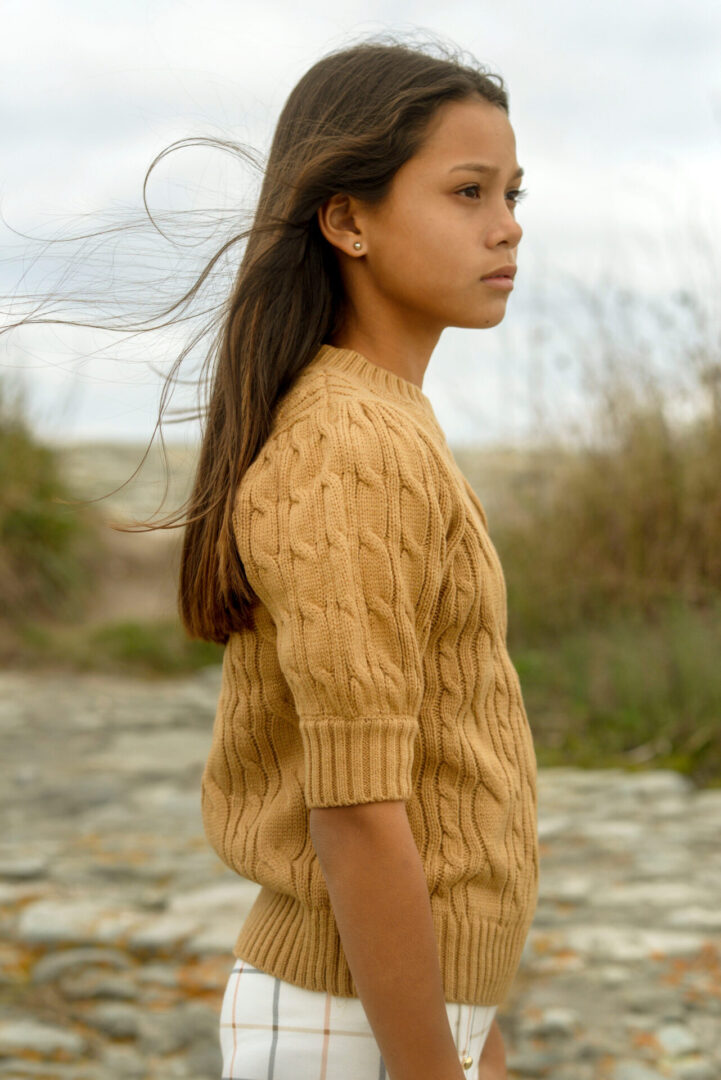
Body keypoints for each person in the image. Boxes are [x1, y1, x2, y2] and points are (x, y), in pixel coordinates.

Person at [192, 34, 539, 1080]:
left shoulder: (388, 424)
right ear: (346, 218)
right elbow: (354, 810)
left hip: (391, 1014)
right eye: (467, 191)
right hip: (341, 1024)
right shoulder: (346, 444)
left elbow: (436, 772)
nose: (507, 226)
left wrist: (478, 1036)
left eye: (514, 193)